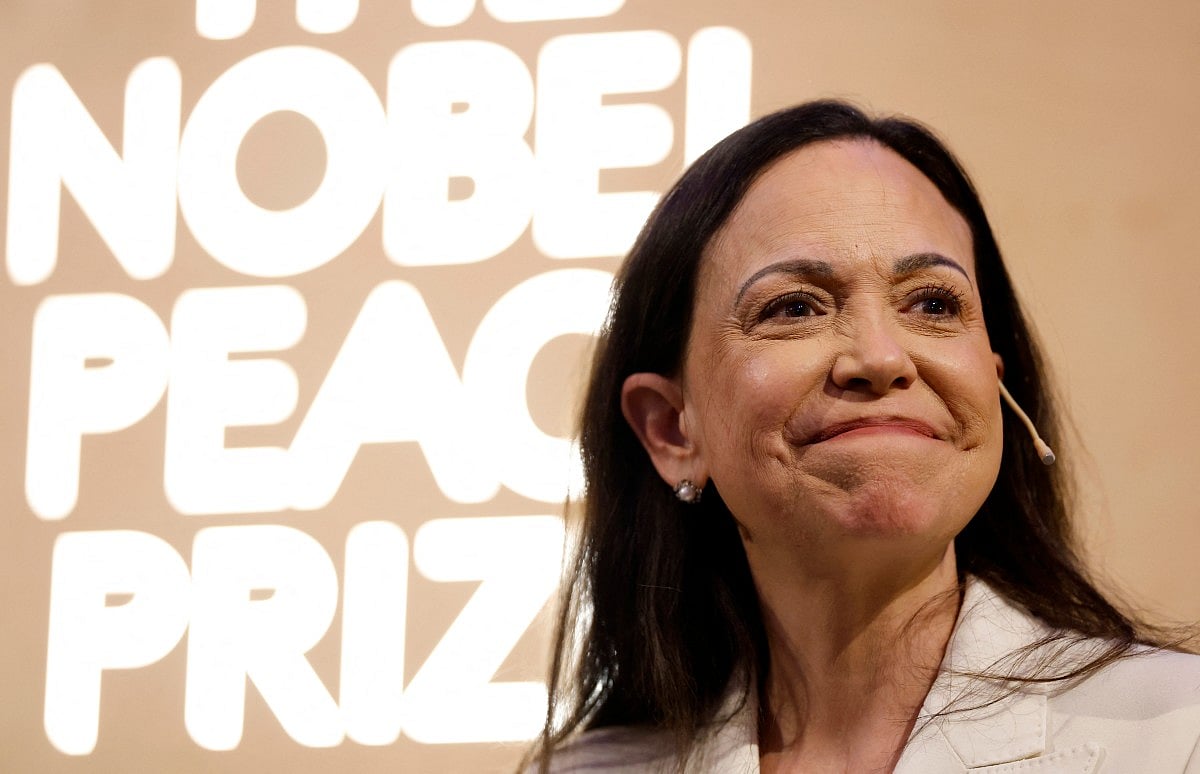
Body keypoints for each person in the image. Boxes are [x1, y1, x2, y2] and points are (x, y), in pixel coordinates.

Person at [524, 100, 1200, 772]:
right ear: (673, 429)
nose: (881, 357)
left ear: (993, 385)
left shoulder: (1177, 734)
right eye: (794, 307)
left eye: (933, 303)